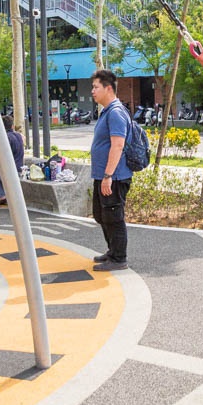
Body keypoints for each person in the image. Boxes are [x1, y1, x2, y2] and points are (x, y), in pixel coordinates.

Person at [89, 69, 132, 271]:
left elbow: (118, 145)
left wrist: (108, 176)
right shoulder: (107, 111)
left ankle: (119, 258)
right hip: (104, 176)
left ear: (108, 88)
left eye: (96, 87)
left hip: (114, 176)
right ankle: (112, 252)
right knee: (102, 215)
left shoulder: (115, 112)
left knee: (114, 217)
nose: (92, 91)